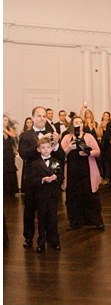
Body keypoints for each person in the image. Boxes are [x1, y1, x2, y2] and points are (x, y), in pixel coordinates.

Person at [18, 107, 58, 249]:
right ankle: (28, 238)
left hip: (49, 181)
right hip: (32, 179)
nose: (42, 118)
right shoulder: (26, 135)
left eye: (44, 116)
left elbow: (57, 157)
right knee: (29, 210)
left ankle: (49, 238)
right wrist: (39, 142)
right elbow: (23, 154)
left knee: (48, 211)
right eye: (39, 116)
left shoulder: (51, 134)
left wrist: (57, 144)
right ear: (33, 117)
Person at [61, 115, 105, 230]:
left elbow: (97, 151)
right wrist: (69, 148)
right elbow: (60, 154)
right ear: (72, 124)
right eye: (76, 122)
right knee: (73, 198)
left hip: (87, 171)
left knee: (91, 197)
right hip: (71, 172)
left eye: (80, 122)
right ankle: (75, 222)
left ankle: (95, 221)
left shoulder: (89, 136)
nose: (78, 124)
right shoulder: (66, 137)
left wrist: (88, 153)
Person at [22, 134, 63, 253]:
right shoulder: (34, 164)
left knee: (53, 218)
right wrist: (42, 180)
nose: (46, 149)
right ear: (38, 149)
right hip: (40, 196)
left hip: (52, 195)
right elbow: (32, 179)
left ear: (51, 148)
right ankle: (41, 242)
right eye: (43, 148)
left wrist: (56, 177)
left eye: (48, 147)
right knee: (41, 218)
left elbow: (61, 176)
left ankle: (55, 241)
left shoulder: (56, 161)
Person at [4, 114, 18, 197]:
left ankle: (12, 190)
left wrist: (5, 130)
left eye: (6, 120)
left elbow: (14, 135)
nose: (6, 121)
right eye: (4, 120)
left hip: (9, 152)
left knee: (10, 170)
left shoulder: (9, 129)